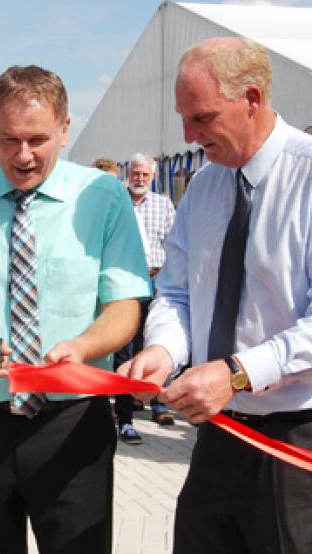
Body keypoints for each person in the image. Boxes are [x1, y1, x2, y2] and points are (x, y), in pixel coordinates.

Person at [120, 38, 312, 553]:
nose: (188, 135)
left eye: (201, 118)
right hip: (223, 425)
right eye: (182, 118)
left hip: (309, 434)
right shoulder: (203, 189)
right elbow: (177, 292)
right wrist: (163, 351)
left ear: (251, 99)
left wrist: (237, 371)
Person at [0, 65, 151, 553]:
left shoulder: (102, 199)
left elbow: (123, 306)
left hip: (71, 422)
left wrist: (82, 347)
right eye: (8, 139)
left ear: (65, 129)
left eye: (37, 139)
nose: (22, 155)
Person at [120, 153, 177, 441]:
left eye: (144, 174)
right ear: (127, 173)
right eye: (135, 173)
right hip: (127, 286)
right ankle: (126, 411)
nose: (139, 179)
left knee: (156, 344)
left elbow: (174, 243)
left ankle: (159, 404)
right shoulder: (118, 203)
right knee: (125, 348)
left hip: (156, 284)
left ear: (153, 177)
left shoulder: (163, 205)